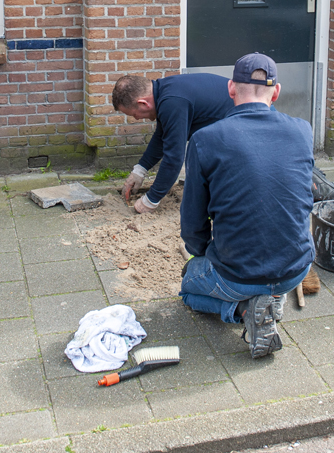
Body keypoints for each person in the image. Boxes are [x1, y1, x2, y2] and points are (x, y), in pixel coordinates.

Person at [178, 53, 314, 358]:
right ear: (276, 93)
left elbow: (193, 223)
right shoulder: (303, 130)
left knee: (188, 287)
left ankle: (243, 310)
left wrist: (202, 254)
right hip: (296, 269)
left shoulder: (204, 140)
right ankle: (273, 297)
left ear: (230, 88)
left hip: (236, 276)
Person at [112, 72, 234, 213]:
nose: (137, 118)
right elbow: (162, 137)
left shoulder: (172, 102)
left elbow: (174, 158)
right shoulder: (164, 93)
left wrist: (151, 200)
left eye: (134, 114)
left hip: (242, 126)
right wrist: (140, 170)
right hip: (228, 125)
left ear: (143, 103)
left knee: (201, 157)